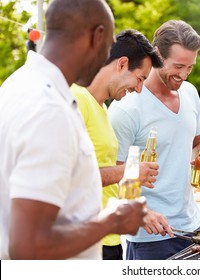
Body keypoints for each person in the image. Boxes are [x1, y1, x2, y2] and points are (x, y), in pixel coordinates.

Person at [0, 0, 147, 260]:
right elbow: (28, 247)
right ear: (97, 35)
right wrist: (111, 222)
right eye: (108, 45)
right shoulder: (48, 109)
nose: (107, 57)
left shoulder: (17, 84)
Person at [108, 20, 200, 260]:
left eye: (190, 67)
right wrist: (142, 211)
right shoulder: (126, 108)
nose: (184, 74)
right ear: (157, 55)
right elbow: (113, 175)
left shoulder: (190, 93)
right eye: (178, 66)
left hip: (193, 227)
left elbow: (196, 142)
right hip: (151, 238)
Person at [71, 29, 165, 260]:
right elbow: (69, 175)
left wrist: (141, 212)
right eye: (140, 78)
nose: (139, 88)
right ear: (122, 64)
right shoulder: (76, 99)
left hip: (109, 238)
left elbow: (104, 180)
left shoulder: (102, 108)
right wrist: (131, 171)